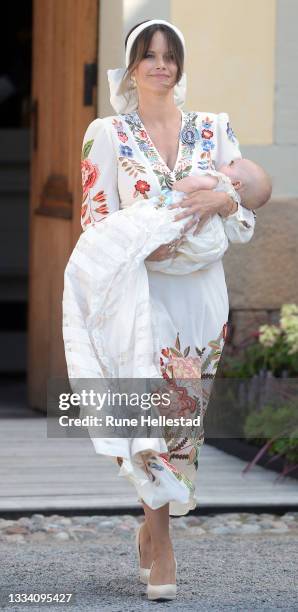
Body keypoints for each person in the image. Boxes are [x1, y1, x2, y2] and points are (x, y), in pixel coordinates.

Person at [63, 19, 272, 601]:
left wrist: (224, 193)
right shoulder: (106, 132)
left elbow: (253, 192)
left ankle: (149, 532)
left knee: (182, 419)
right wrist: (142, 239)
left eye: (170, 55)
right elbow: (96, 216)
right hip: (139, 287)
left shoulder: (213, 128)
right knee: (147, 414)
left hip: (201, 292)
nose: (161, 65)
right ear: (131, 67)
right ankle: (163, 542)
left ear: (180, 65)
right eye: (149, 56)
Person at [145, 157, 272, 274]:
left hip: (184, 224)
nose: (227, 163)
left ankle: (158, 263)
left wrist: (178, 188)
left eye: (231, 164)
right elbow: (241, 234)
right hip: (211, 247)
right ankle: (167, 263)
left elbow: (188, 185)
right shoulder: (238, 202)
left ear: (236, 184)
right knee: (188, 255)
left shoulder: (219, 181)